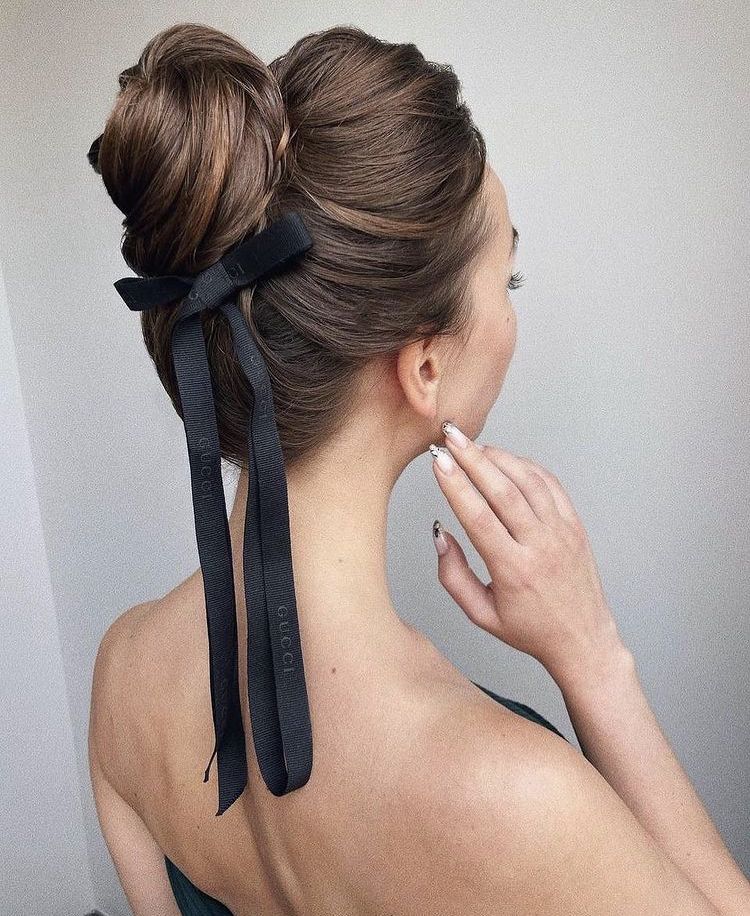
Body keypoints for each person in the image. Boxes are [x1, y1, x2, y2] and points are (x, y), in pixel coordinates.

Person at [87, 22, 750, 916]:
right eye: (507, 282)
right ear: (425, 366)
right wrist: (594, 660)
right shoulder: (514, 805)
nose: (511, 312)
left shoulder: (122, 672)